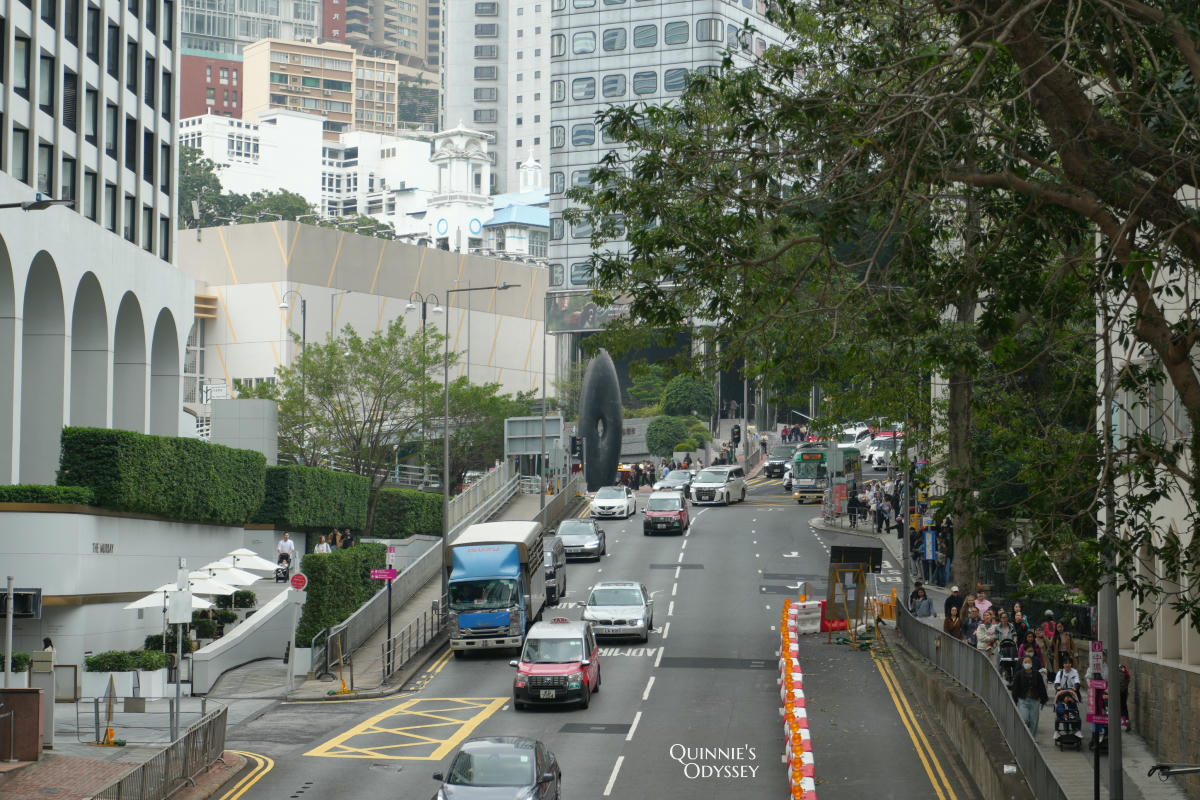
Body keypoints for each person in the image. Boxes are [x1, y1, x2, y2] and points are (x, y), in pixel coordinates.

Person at [1011, 656, 1049, 737]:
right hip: (1023, 700)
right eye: (1025, 662)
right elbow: (1015, 688)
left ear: (1032, 664)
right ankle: (1025, 736)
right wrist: (1014, 699)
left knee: (1034, 721)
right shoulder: (1019, 674)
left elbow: (1041, 687)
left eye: (1029, 662)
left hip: (1035, 700)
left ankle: (1032, 739)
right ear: (1022, 664)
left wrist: (1044, 699)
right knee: (1024, 719)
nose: (1027, 663)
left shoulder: (1037, 674)